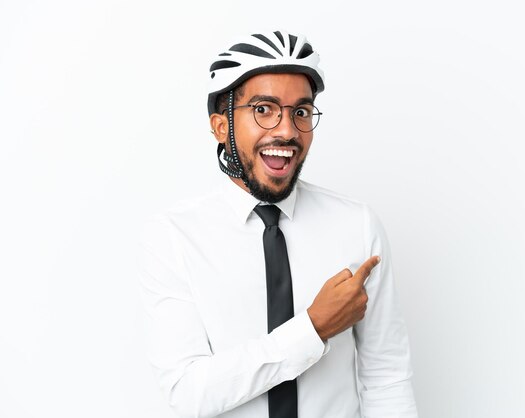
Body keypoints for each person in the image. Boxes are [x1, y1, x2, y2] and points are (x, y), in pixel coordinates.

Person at [138, 30, 418, 418]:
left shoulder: (357, 224)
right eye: (264, 109)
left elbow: (387, 376)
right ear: (221, 127)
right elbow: (188, 393)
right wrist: (313, 328)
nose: (286, 131)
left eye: (300, 112)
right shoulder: (175, 237)